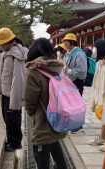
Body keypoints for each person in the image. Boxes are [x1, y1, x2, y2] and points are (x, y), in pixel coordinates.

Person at [23, 38, 67, 169]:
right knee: (54, 141)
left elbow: (29, 100)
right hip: (59, 115)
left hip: (43, 117)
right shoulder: (58, 68)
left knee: (41, 146)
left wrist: (32, 114)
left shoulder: (34, 71)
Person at [0, 27, 28, 152]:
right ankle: (11, 139)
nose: (0, 46)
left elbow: (18, 79)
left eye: (1, 44)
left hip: (12, 94)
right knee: (7, 117)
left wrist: (15, 100)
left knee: (13, 118)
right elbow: (2, 73)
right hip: (5, 92)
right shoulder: (6, 54)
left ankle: (15, 142)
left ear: (9, 42)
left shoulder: (17, 56)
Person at [62, 33, 87, 134]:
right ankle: (73, 124)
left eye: (66, 41)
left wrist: (68, 71)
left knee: (76, 104)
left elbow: (82, 70)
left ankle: (78, 126)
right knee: (70, 104)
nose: (65, 43)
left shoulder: (79, 54)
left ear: (72, 42)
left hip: (77, 82)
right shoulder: (69, 52)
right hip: (69, 82)